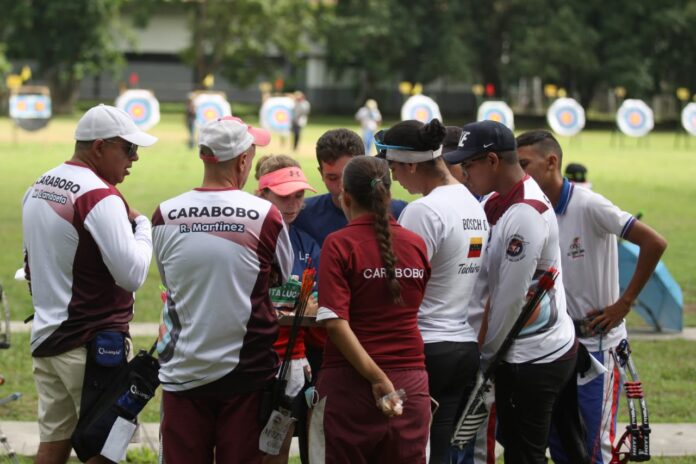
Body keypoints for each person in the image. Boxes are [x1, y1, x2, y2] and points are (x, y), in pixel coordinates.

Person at [516, 130, 667, 464]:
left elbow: (654, 242)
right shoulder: (531, 209)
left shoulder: (588, 204)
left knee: (593, 446)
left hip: (597, 347)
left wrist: (623, 304)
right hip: (554, 346)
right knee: (560, 441)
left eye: (524, 164)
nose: (519, 173)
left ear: (552, 162)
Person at [152, 116, 293, 463]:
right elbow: (282, 275)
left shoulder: (164, 215)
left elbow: (170, 279)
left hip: (182, 371)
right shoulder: (266, 215)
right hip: (246, 373)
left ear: (204, 155)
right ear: (244, 161)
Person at [21, 104, 157, 464]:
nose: (135, 158)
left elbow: (32, 264)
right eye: (128, 149)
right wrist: (143, 229)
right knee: (106, 449)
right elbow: (133, 275)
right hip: (92, 347)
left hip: (48, 339)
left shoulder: (39, 185)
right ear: (99, 147)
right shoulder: (100, 196)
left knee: (53, 444)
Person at [444, 120, 577, 463]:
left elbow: (510, 300)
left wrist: (485, 358)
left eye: (469, 163)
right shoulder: (499, 199)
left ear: (492, 162)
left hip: (532, 357)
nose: (463, 171)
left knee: (524, 452)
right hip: (526, 349)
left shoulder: (525, 214)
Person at [378, 119, 488, 464]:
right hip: (462, 346)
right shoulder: (471, 202)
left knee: (407, 450)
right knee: (440, 448)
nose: (394, 178)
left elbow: (400, 284)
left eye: (394, 167)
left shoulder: (423, 211)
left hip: (425, 346)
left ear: (412, 164)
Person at [309, 156, 432, 463]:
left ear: (345, 197)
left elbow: (335, 324)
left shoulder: (338, 244)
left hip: (351, 384)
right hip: (411, 383)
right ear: (388, 196)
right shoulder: (415, 243)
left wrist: (376, 378)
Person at [254, 155, 320, 464]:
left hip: (291, 363)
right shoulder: (245, 236)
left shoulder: (307, 244)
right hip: (249, 360)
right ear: (261, 194)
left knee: (277, 445)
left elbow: (314, 305)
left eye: (299, 195)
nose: (293, 204)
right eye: (284, 196)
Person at [293, 128, 407, 247]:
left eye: (348, 176)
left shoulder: (400, 213)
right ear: (321, 173)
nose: (342, 186)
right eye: (332, 178)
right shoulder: (302, 215)